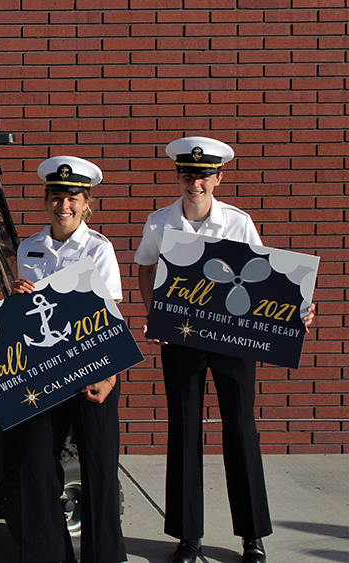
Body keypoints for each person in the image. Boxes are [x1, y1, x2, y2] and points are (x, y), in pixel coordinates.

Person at [136, 137, 314, 563]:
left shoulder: (238, 222)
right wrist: (155, 315)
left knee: (239, 429)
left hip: (233, 344)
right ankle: (187, 536)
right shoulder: (160, 222)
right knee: (184, 432)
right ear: (178, 175)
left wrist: (296, 312)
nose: (194, 182)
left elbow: (264, 280)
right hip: (181, 339)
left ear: (218, 178)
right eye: (187, 174)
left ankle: (252, 536)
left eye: (202, 175)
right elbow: (145, 269)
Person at [5, 156, 126, 563]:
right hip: (42, 371)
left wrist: (109, 377)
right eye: (56, 197)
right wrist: (17, 298)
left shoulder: (98, 248)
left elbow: (112, 317)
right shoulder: (29, 247)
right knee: (35, 464)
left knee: (99, 466)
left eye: (72, 197)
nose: (63, 206)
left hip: (94, 368)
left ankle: (104, 557)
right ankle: (49, 556)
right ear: (47, 200)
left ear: (86, 201)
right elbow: (25, 317)